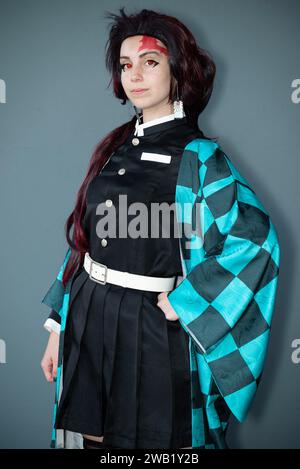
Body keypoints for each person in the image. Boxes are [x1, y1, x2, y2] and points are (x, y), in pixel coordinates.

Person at [40, 7, 280, 450]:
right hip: (89, 311)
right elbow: (88, 237)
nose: (135, 74)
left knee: (157, 445)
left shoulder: (200, 156)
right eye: (126, 64)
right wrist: (59, 326)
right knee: (92, 436)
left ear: (178, 70)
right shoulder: (113, 145)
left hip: (152, 323)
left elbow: (255, 240)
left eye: (150, 61)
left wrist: (188, 302)